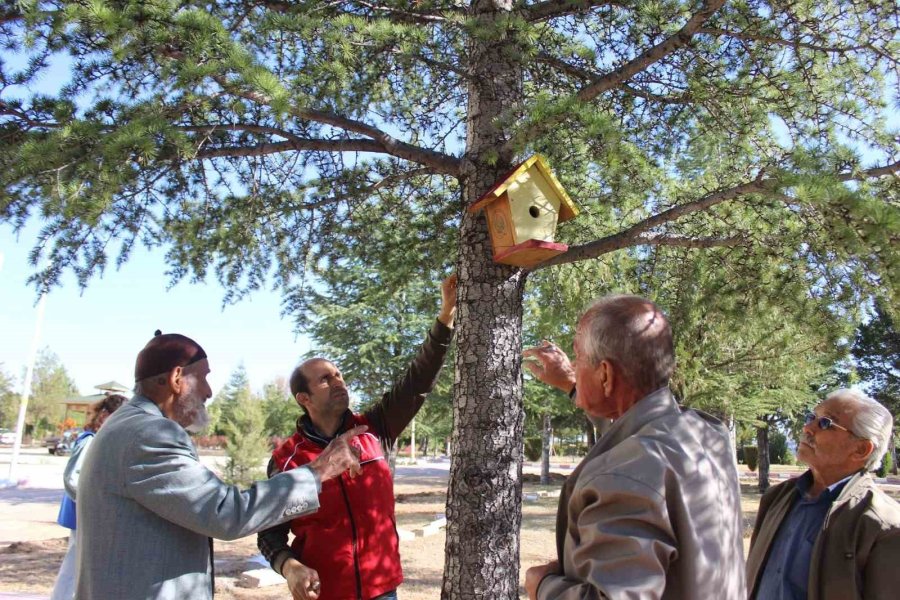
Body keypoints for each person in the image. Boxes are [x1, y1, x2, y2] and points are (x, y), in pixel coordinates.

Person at [75, 331, 366, 600]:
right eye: (203, 378)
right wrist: (317, 472)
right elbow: (226, 514)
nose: (209, 391)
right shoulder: (149, 434)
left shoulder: (127, 424)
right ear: (177, 378)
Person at [522, 294, 746, 600]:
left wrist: (544, 586)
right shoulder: (707, 433)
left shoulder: (625, 475)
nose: (573, 365)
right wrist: (576, 385)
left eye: (578, 357)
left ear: (605, 374)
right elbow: (634, 422)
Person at [257, 274, 457, 600]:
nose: (338, 382)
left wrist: (445, 317)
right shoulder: (286, 460)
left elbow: (416, 383)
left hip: (384, 589)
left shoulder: (373, 429)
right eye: (325, 379)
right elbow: (270, 534)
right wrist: (289, 566)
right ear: (303, 399)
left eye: (338, 374)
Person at [746, 388, 900, 599]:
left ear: (861, 449)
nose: (807, 428)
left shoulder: (883, 525)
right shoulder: (777, 498)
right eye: (812, 417)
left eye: (825, 423)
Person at [51, 394, 126, 600]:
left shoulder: (99, 441)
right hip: (82, 514)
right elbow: (72, 478)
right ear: (103, 416)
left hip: (86, 513)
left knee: (80, 566)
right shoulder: (89, 441)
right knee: (75, 566)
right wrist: (92, 503)